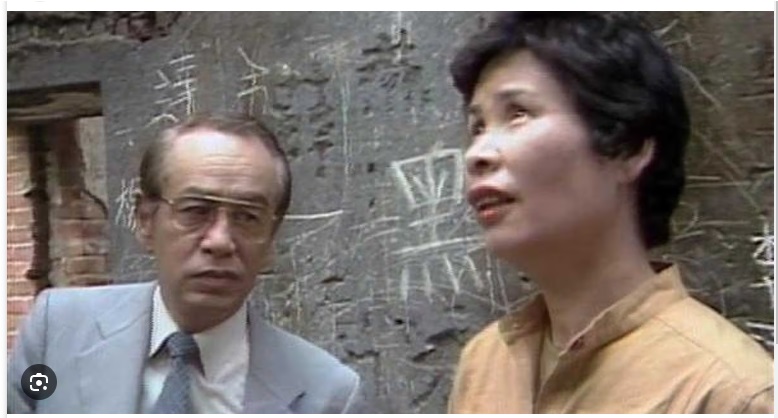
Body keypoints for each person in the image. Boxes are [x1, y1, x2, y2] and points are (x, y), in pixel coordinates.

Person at [447, 12, 773, 414]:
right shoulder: (485, 362)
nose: (477, 154)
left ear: (627, 148)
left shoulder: (728, 391)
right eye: (477, 127)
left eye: (518, 113)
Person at [8, 114, 367, 413]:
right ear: (145, 221)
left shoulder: (324, 394)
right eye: (196, 211)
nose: (220, 241)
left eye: (247, 217)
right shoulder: (59, 333)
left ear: (272, 238)